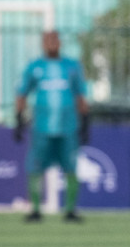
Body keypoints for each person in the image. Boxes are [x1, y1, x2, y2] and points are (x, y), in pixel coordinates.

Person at [13, 30, 90, 222]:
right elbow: (21, 93)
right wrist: (18, 120)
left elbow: (81, 95)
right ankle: (36, 209)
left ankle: (70, 210)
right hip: (41, 128)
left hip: (68, 127)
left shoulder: (72, 66)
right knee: (35, 167)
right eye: (47, 40)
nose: (51, 44)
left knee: (71, 167)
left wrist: (85, 123)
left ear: (60, 42)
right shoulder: (34, 67)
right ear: (42, 43)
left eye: (54, 40)